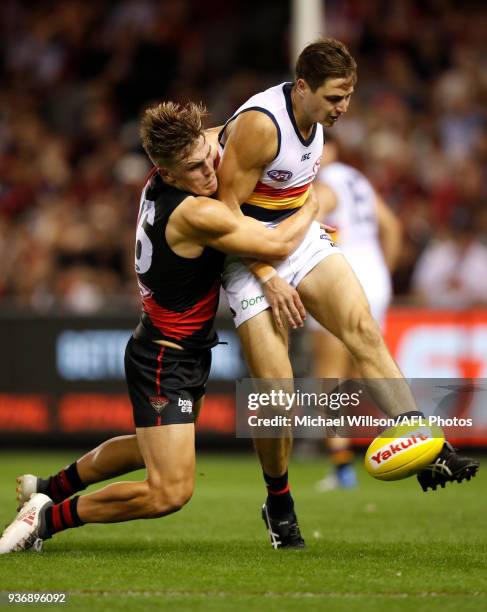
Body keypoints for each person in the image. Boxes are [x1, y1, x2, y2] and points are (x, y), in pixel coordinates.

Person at [0, 101, 319, 555]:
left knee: (148, 446)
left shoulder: (167, 174)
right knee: (170, 492)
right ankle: (47, 519)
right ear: (167, 175)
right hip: (165, 359)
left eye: (207, 157)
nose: (210, 172)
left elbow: (222, 135)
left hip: (175, 347)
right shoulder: (193, 214)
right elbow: (279, 241)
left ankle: (49, 485)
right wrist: (312, 199)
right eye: (193, 169)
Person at [216, 37, 479, 547]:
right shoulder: (261, 126)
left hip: (297, 238)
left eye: (349, 96)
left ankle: (425, 443)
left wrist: (301, 231)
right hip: (246, 254)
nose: (345, 108)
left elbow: (293, 193)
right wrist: (268, 277)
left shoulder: (318, 122)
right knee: (277, 396)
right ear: (303, 88)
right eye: (336, 97)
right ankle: (278, 501)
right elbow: (226, 215)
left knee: (363, 329)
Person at [308, 135, 402, 491]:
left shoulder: (325, 182)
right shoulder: (356, 178)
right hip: (375, 273)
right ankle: (416, 437)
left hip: (343, 272)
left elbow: (311, 216)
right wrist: (383, 273)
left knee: (329, 377)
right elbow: (392, 226)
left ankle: (342, 467)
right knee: (366, 363)